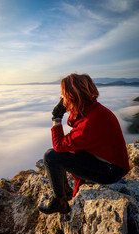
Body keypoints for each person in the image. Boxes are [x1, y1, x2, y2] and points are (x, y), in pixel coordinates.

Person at [38, 73, 130, 215]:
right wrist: (68, 107)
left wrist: (57, 118)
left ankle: (60, 201)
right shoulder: (93, 110)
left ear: (73, 96)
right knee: (56, 155)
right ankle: (66, 192)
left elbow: (59, 145)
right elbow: (76, 124)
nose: (60, 99)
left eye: (63, 95)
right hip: (109, 164)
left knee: (51, 156)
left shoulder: (91, 122)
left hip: (111, 172)